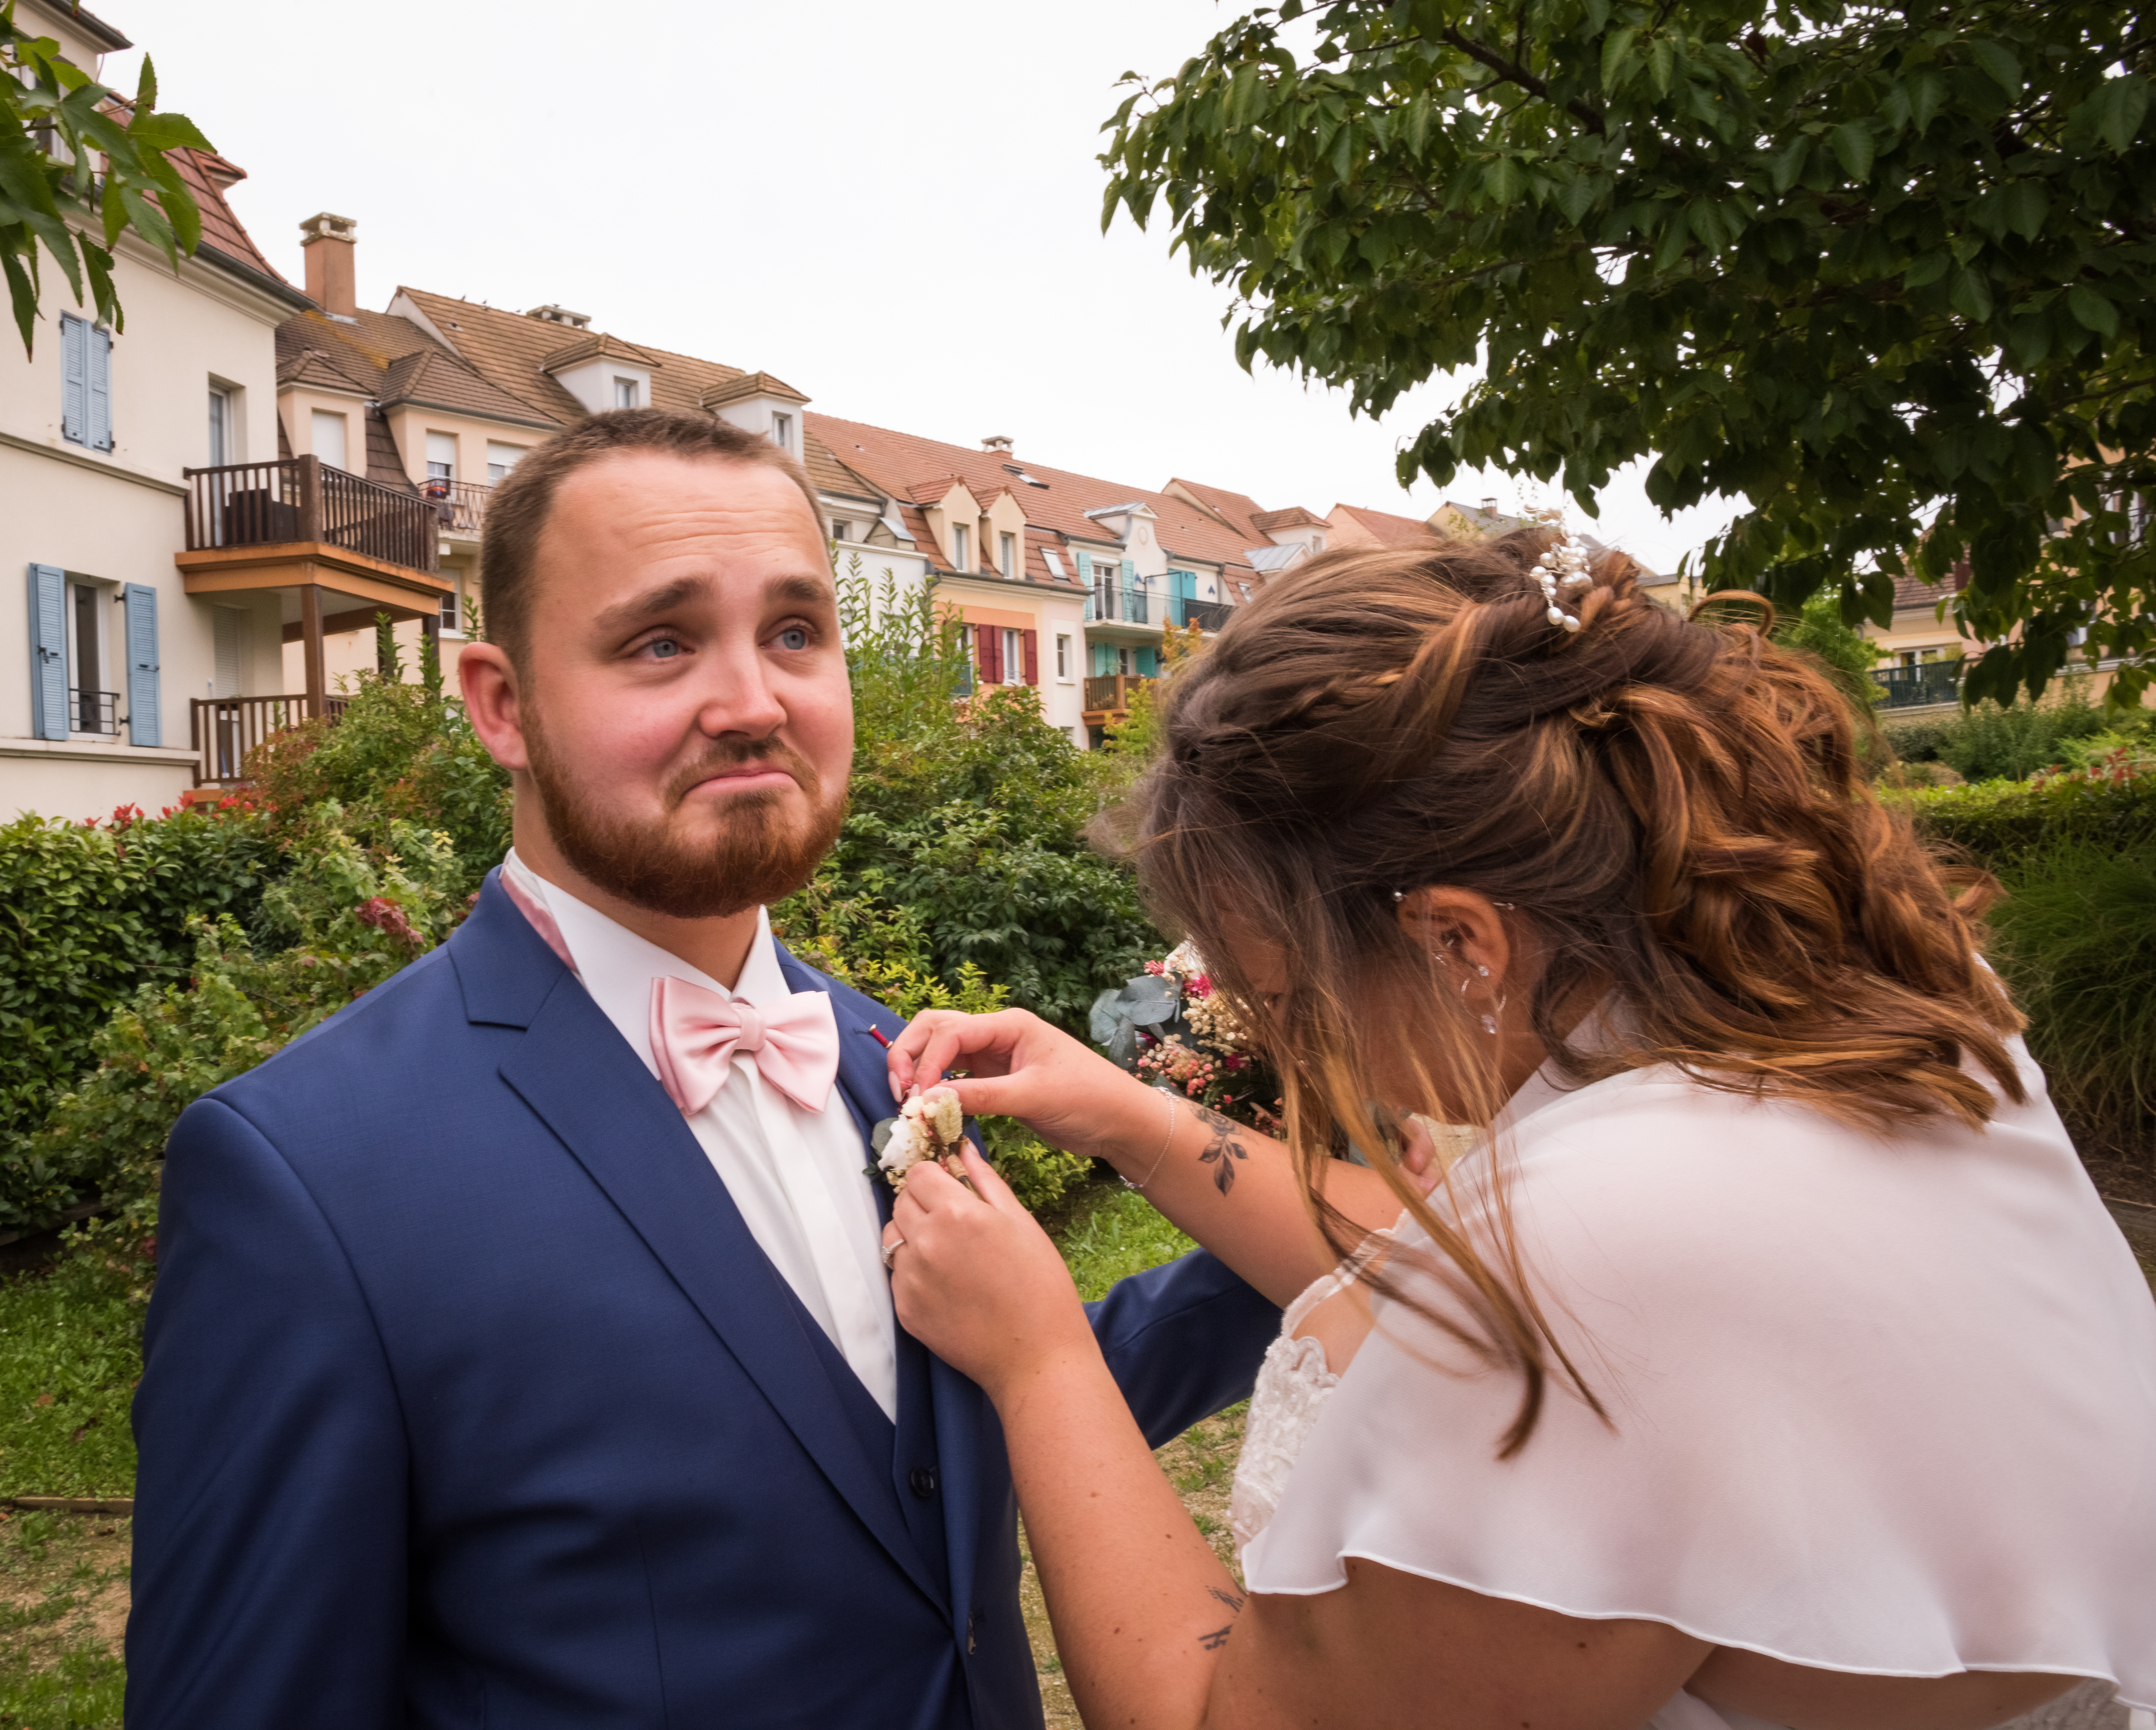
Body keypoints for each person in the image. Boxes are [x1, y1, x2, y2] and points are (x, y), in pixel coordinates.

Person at [122, 409, 1285, 1729]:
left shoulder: (872, 1048)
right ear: (502, 707)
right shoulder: (306, 1178)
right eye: (662, 642)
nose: (753, 703)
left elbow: (953, 1422)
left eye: (795, 633)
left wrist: (1314, 1239)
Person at [879, 532, 2156, 1730]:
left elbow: (1222, 1713)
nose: (1297, 1048)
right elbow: (1442, 1277)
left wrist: (1041, 1359)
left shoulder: (1597, 1248)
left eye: (1284, 1000)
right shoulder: (1833, 1012)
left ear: (1459, 942)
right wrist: (1141, 1125)